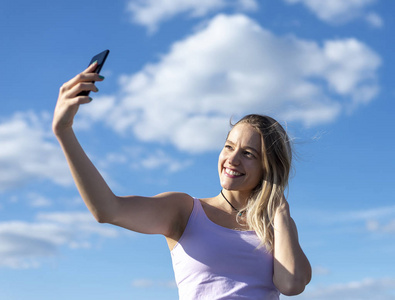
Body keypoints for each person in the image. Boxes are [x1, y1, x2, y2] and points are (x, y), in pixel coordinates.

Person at [53, 62, 312, 299]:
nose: (232, 159)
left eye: (248, 154)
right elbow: (107, 210)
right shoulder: (185, 211)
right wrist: (64, 132)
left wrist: (279, 210)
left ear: (268, 167)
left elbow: (291, 285)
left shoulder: (278, 224)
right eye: (229, 146)